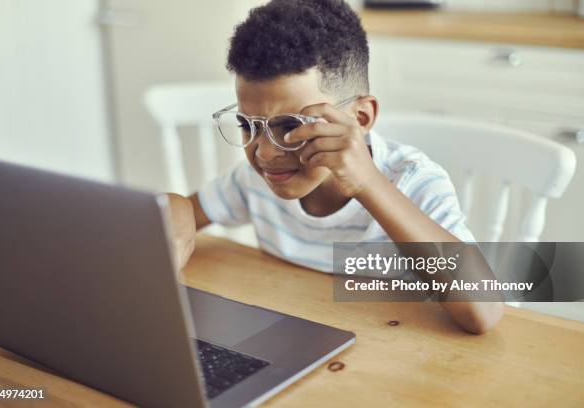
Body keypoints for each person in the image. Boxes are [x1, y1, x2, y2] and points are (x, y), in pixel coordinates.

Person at [167, 0, 503, 334]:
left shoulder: (413, 181)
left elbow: (483, 312)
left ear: (360, 118)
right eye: (248, 125)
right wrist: (177, 207)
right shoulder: (253, 182)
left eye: (291, 126)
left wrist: (367, 183)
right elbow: (188, 210)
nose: (266, 153)